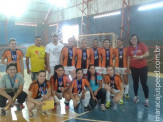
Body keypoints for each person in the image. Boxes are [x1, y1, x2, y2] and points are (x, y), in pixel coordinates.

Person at [127, 34, 149, 106]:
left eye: (135, 39)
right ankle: (136, 96)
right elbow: (129, 58)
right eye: (132, 39)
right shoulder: (129, 48)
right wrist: (128, 67)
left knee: (144, 83)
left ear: (137, 39)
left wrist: (140, 56)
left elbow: (147, 53)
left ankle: (146, 99)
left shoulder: (142, 45)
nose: (134, 40)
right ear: (131, 40)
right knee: (135, 83)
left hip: (143, 67)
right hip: (134, 68)